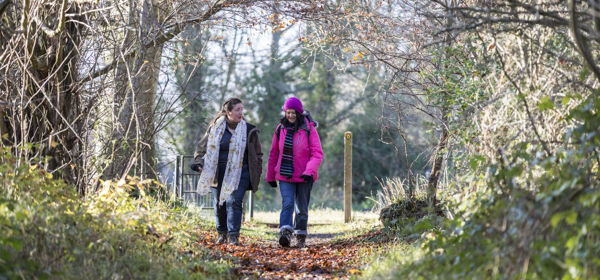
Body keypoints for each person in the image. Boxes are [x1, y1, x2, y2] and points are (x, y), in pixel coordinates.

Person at [191, 97, 263, 245]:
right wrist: (198, 162)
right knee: (219, 205)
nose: (241, 113)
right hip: (217, 172)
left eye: (242, 110)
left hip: (240, 171)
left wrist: (256, 170)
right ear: (228, 112)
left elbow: (258, 154)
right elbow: (202, 148)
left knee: (234, 202)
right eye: (237, 110)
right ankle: (222, 234)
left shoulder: (249, 130)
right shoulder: (215, 128)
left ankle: (233, 236)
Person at [265, 97, 323, 248]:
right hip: (285, 175)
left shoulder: (309, 129)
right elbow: (274, 153)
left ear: (299, 113)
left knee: (301, 208)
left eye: (293, 113)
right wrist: (270, 175)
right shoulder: (280, 129)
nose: (290, 116)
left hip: (305, 176)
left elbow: (317, 153)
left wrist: (309, 171)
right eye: (288, 112)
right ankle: (285, 232)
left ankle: (300, 235)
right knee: (288, 204)